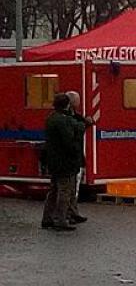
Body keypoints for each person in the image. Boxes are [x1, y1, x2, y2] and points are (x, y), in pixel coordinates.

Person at [41, 94, 79, 231]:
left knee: (53, 190)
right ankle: (61, 219)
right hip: (63, 161)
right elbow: (68, 141)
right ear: (67, 105)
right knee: (64, 190)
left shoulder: (51, 118)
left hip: (52, 160)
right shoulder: (62, 121)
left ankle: (47, 218)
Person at [65, 91, 91, 224]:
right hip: (72, 158)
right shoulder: (68, 118)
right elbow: (78, 129)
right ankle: (69, 214)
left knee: (73, 188)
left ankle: (73, 212)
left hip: (75, 157)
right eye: (78, 100)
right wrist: (86, 123)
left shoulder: (73, 116)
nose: (79, 103)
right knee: (70, 188)